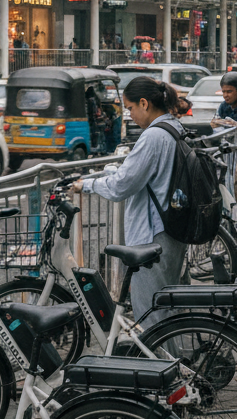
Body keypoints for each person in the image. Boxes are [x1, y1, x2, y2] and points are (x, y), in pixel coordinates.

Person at [73, 78, 188, 328]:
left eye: (130, 108)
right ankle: (171, 352)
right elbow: (143, 175)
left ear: (144, 103)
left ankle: (161, 354)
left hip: (154, 234)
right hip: (172, 229)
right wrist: (112, 172)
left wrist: (87, 185)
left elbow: (121, 186)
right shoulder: (173, 127)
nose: (130, 115)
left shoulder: (153, 136)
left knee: (150, 313)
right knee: (165, 310)